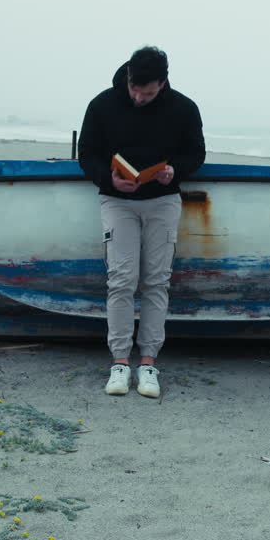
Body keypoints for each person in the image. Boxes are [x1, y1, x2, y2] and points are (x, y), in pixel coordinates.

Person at [77, 46, 205, 398]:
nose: (138, 97)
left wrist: (174, 170)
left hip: (163, 201)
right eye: (135, 89)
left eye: (147, 93)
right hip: (117, 200)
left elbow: (196, 153)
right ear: (129, 77)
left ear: (162, 83)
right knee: (121, 280)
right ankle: (119, 362)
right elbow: (86, 153)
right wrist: (108, 178)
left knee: (156, 281)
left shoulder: (184, 107)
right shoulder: (102, 104)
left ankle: (148, 363)